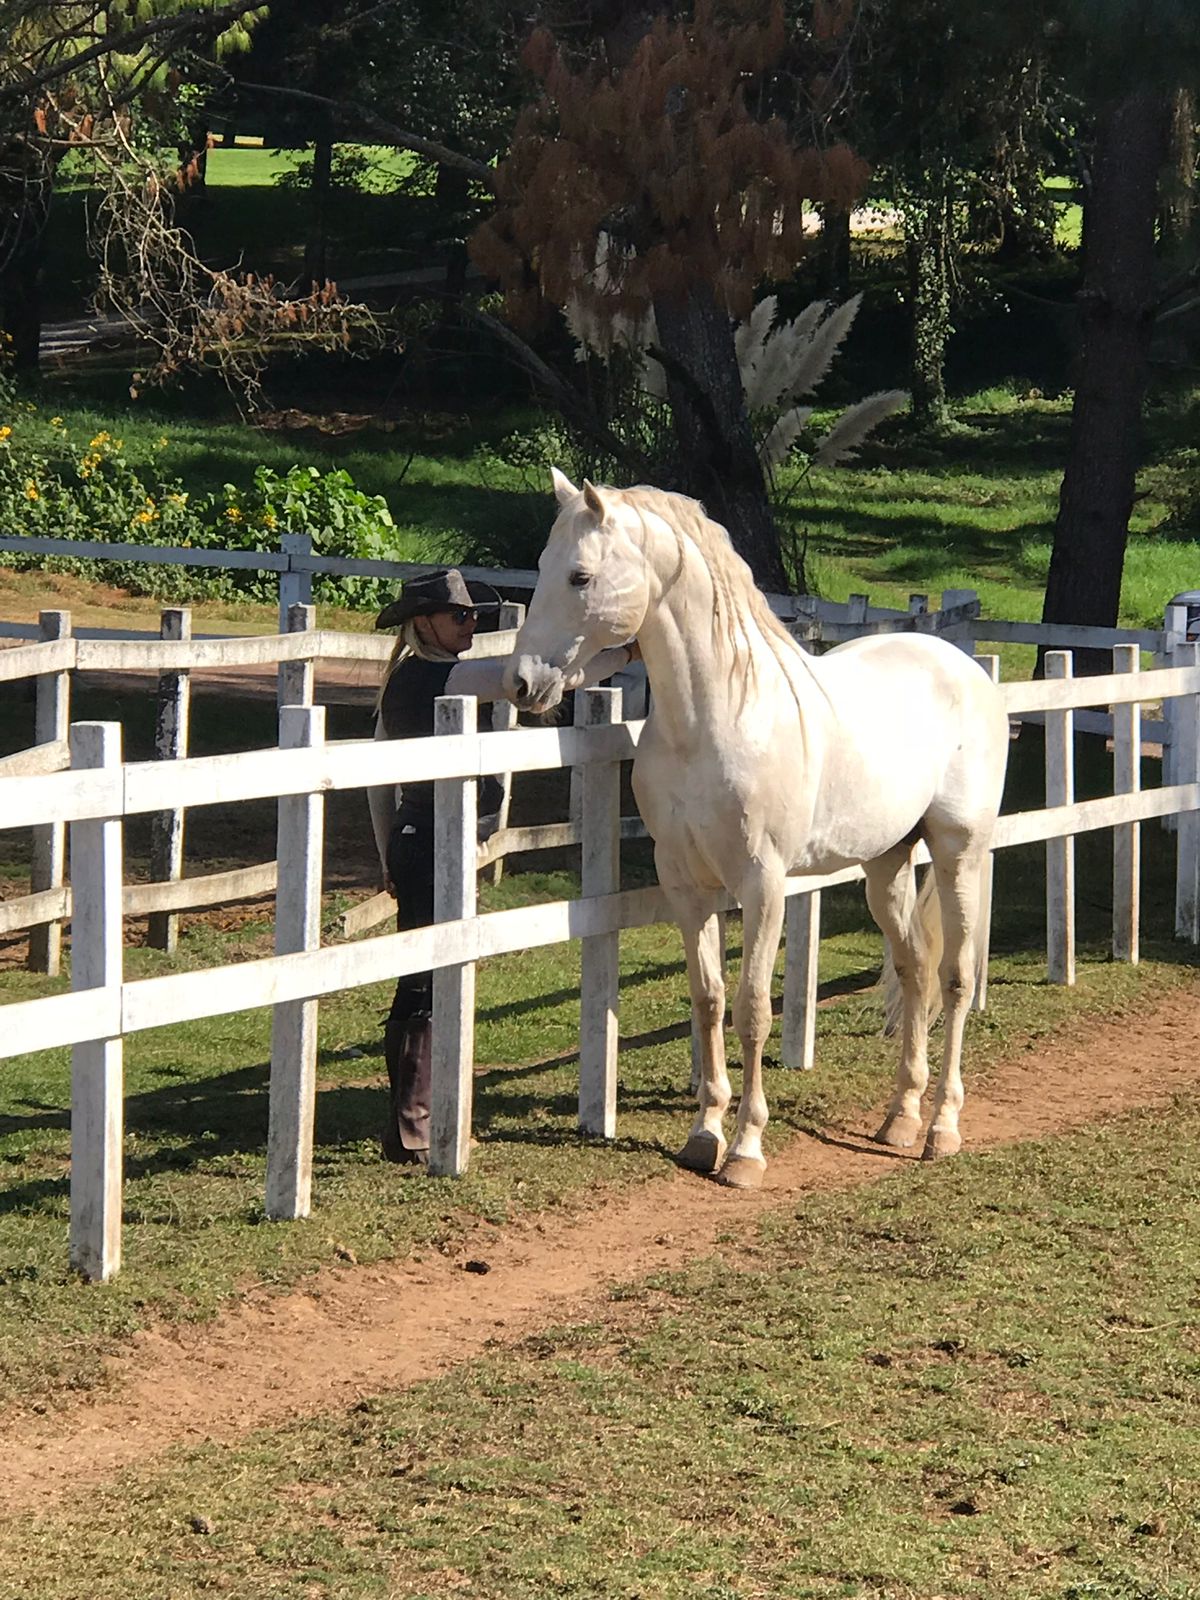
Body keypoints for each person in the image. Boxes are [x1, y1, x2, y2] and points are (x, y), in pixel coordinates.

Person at [369, 567, 639, 1165]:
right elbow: (530, 683)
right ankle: (415, 1128)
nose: (471, 623)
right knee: (425, 981)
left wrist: (387, 850)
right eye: (459, 615)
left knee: (433, 976)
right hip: (431, 839)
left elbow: (376, 785)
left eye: (473, 616)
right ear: (425, 624)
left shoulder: (415, 678)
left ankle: (417, 1121)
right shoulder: (437, 677)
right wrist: (620, 655)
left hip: (426, 839)